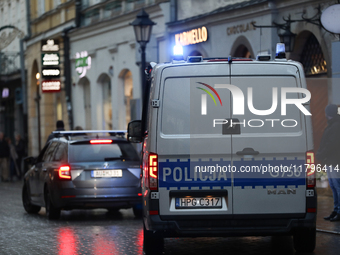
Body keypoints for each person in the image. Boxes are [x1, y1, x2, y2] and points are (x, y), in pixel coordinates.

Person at [316, 104, 340, 222]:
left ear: (327, 113)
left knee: (337, 187)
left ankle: (339, 211)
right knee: (334, 187)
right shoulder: (332, 125)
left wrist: (321, 154)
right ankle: (336, 210)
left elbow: (331, 144)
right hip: (331, 161)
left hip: (335, 161)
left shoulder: (335, 126)